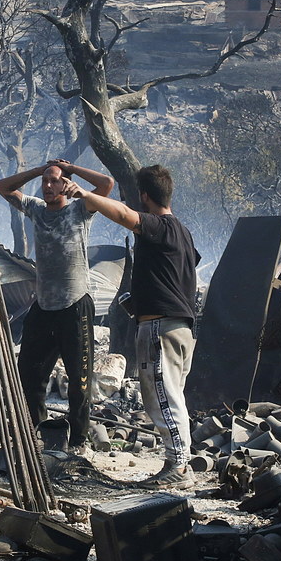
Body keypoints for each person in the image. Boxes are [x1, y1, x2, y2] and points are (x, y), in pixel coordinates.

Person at [62, 164, 199, 488]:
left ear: (144, 196)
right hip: (179, 327)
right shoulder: (182, 231)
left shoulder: (159, 226)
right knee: (173, 398)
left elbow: (124, 215)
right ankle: (178, 464)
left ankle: (178, 469)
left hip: (161, 329)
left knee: (163, 399)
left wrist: (85, 194)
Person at [0, 159, 115, 451]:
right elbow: (2, 187)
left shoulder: (80, 209)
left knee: (79, 380)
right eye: (45, 182)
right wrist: (39, 170)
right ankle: (37, 433)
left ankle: (77, 442)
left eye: (54, 181)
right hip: (43, 306)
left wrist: (73, 170)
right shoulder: (35, 208)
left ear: (66, 184)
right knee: (29, 375)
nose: (48, 186)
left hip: (75, 305)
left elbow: (106, 185)